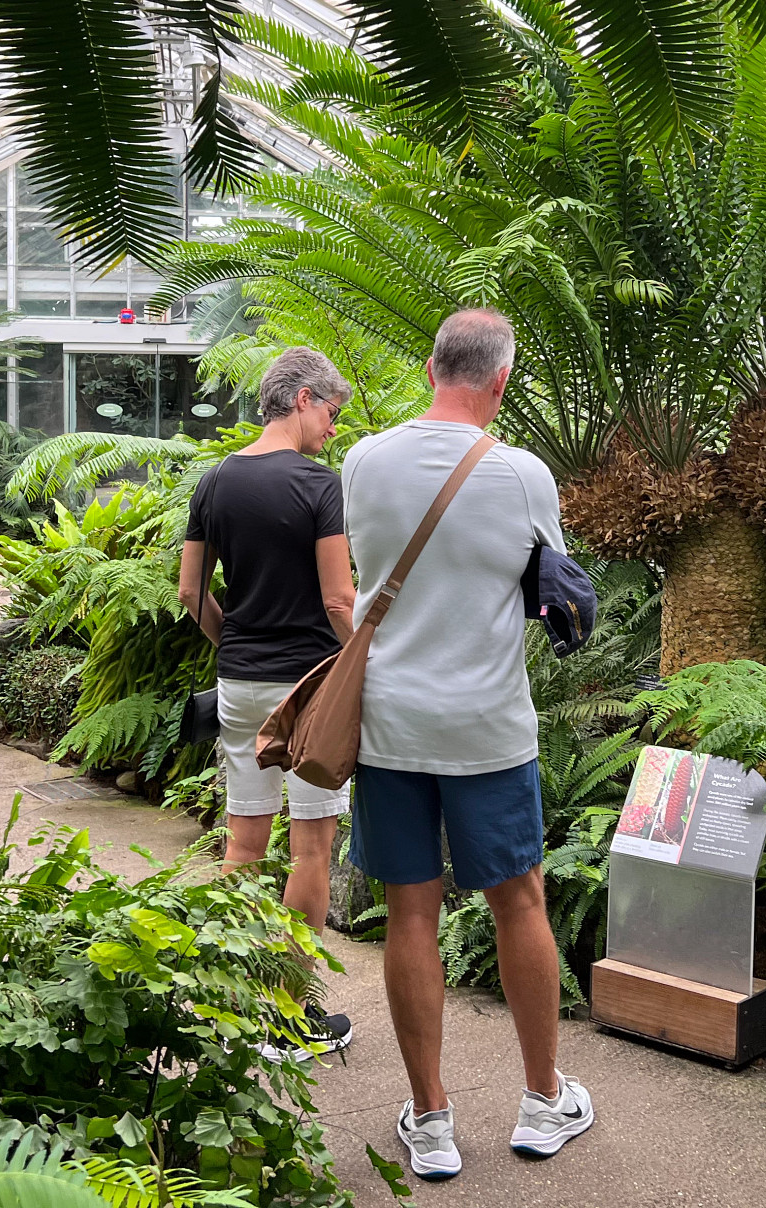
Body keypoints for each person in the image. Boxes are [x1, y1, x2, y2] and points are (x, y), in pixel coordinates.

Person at [342, 307, 594, 1180]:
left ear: (428, 366)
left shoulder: (362, 458)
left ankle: (433, 1119)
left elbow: (363, 575)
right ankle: (540, 1101)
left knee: (410, 912)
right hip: (488, 727)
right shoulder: (524, 476)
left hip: (388, 725)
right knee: (520, 901)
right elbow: (549, 593)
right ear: (502, 380)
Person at [179, 346, 358, 1059]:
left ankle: (230, 1006)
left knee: (242, 845)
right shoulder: (320, 485)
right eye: (333, 414)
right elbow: (339, 599)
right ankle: (290, 1016)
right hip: (309, 686)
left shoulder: (214, 479)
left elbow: (191, 594)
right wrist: (360, 668)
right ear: (305, 398)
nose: (334, 431)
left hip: (241, 682)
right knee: (311, 849)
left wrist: (235, 646)